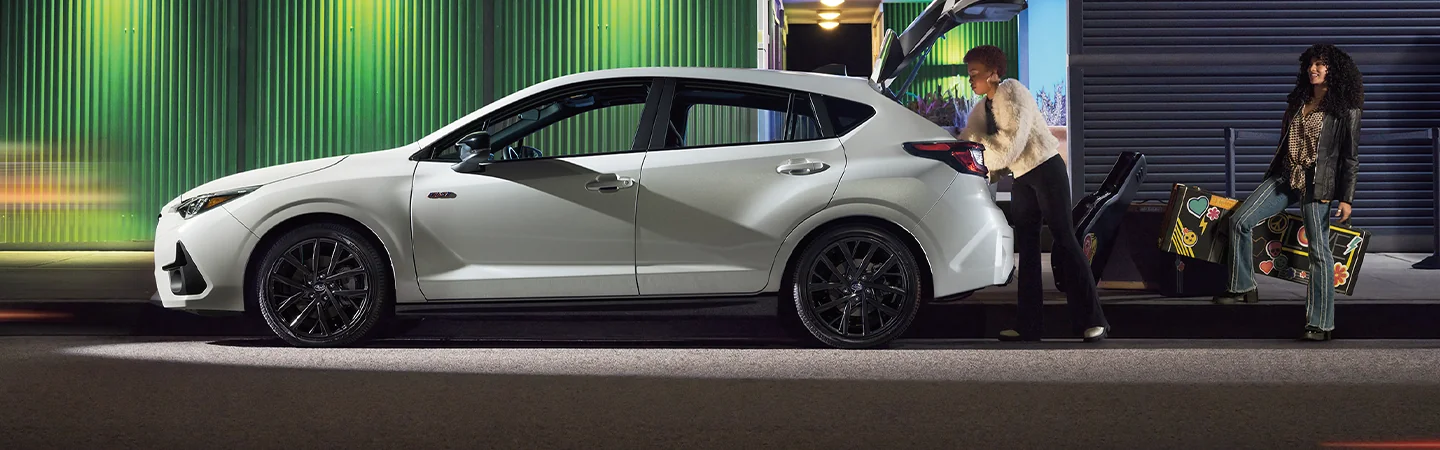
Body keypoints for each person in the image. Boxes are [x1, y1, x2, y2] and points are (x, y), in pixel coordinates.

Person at [957, 45, 1109, 342]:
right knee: (1026, 250)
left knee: (1065, 239)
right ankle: (1030, 327)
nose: (970, 80)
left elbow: (1007, 146)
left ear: (993, 73)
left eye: (974, 73)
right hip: (1022, 176)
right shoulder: (982, 107)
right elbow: (973, 145)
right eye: (969, 74)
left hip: (1045, 169)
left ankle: (1095, 320)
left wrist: (977, 146)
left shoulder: (1011, 92)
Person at [1212, 44, 1363, 341]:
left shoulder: (1346, 110)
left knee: (1318, 252)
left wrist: (1346, 198)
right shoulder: (1299, 101)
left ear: (1335, 70)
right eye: (1310, 64)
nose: (1313, 69)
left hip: (1316, 183)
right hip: (1286, 176)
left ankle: (1320, 324)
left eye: (1321, 64)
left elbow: (1350, 157)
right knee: (1240, 221)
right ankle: (1243, 287)